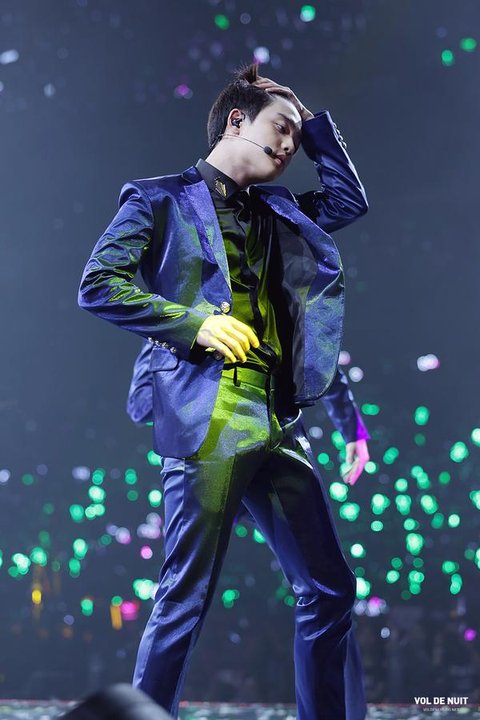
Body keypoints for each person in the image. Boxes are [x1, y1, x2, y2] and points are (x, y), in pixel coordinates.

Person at [78, 62, 371, 720]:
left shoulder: (281, 210)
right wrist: (195, 324)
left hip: (277, 421)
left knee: (330, 589)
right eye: (282, 128)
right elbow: (98, 284)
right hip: (208, 415)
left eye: (297, 135)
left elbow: (349, 202)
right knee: (184, 597)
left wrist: (312, 124)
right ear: (236, 121)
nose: (291, 145)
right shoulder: (157, 199)